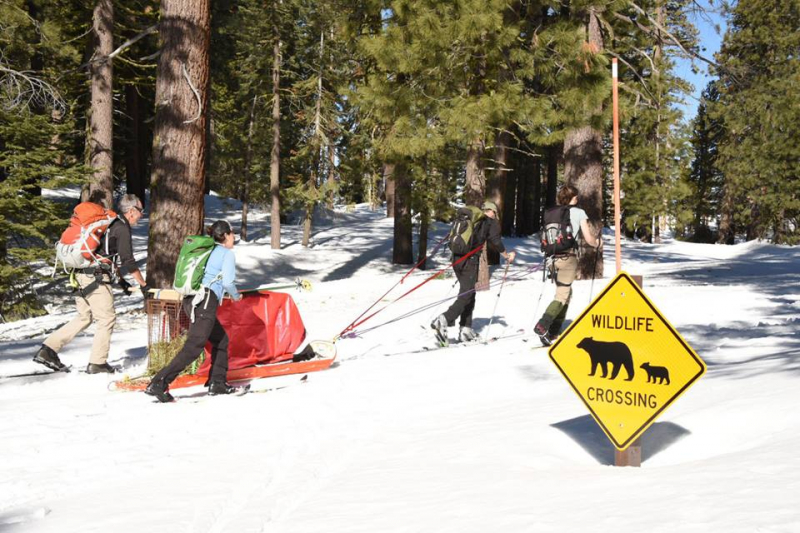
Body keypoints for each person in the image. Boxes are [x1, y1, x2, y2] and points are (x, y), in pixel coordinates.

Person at [33, 193, 148, 374]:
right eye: (141, 211)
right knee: (107, 318)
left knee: (84, 317)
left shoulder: (110, 224)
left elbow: (106, 254)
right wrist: (143, 284)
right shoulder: (122, 227)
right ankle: (98, 363)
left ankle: (48, 350)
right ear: (132, 211)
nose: (142, 215)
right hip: (95, 276)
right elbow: (128, 259)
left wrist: (120, 280)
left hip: (81, 274)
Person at [145, 220, 242, 402]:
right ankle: (159, 383)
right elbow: (228, 282)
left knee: (221, 340)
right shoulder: (226, 254)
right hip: (205, 300)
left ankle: (217, 382)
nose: (234, 237)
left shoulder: (205, 249)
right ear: (226, 235)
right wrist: (236, 296)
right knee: (194, 347)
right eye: (233, 233)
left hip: (192, 299)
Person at [431, 200, 516, 345]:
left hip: (456, 259)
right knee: (467, 294)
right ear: (492, 212)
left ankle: (466, 328)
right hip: (469, 261)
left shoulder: (469, 219)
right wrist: (507, 255)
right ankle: (444, 319)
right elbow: (495, 241)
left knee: (469, 292)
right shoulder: (487, 222)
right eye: (495, 213)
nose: (495, 216)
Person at [533, 185, 600, 346]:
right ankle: (543, 325)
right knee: (562, 295)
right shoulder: (578, 213)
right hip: (568, 258)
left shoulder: (552, 213)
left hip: (552, 259)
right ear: (573, 197)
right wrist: (598, 243)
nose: (577, 198)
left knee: (566, 294)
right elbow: (589, 239)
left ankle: (555, 331)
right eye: (576, 196)